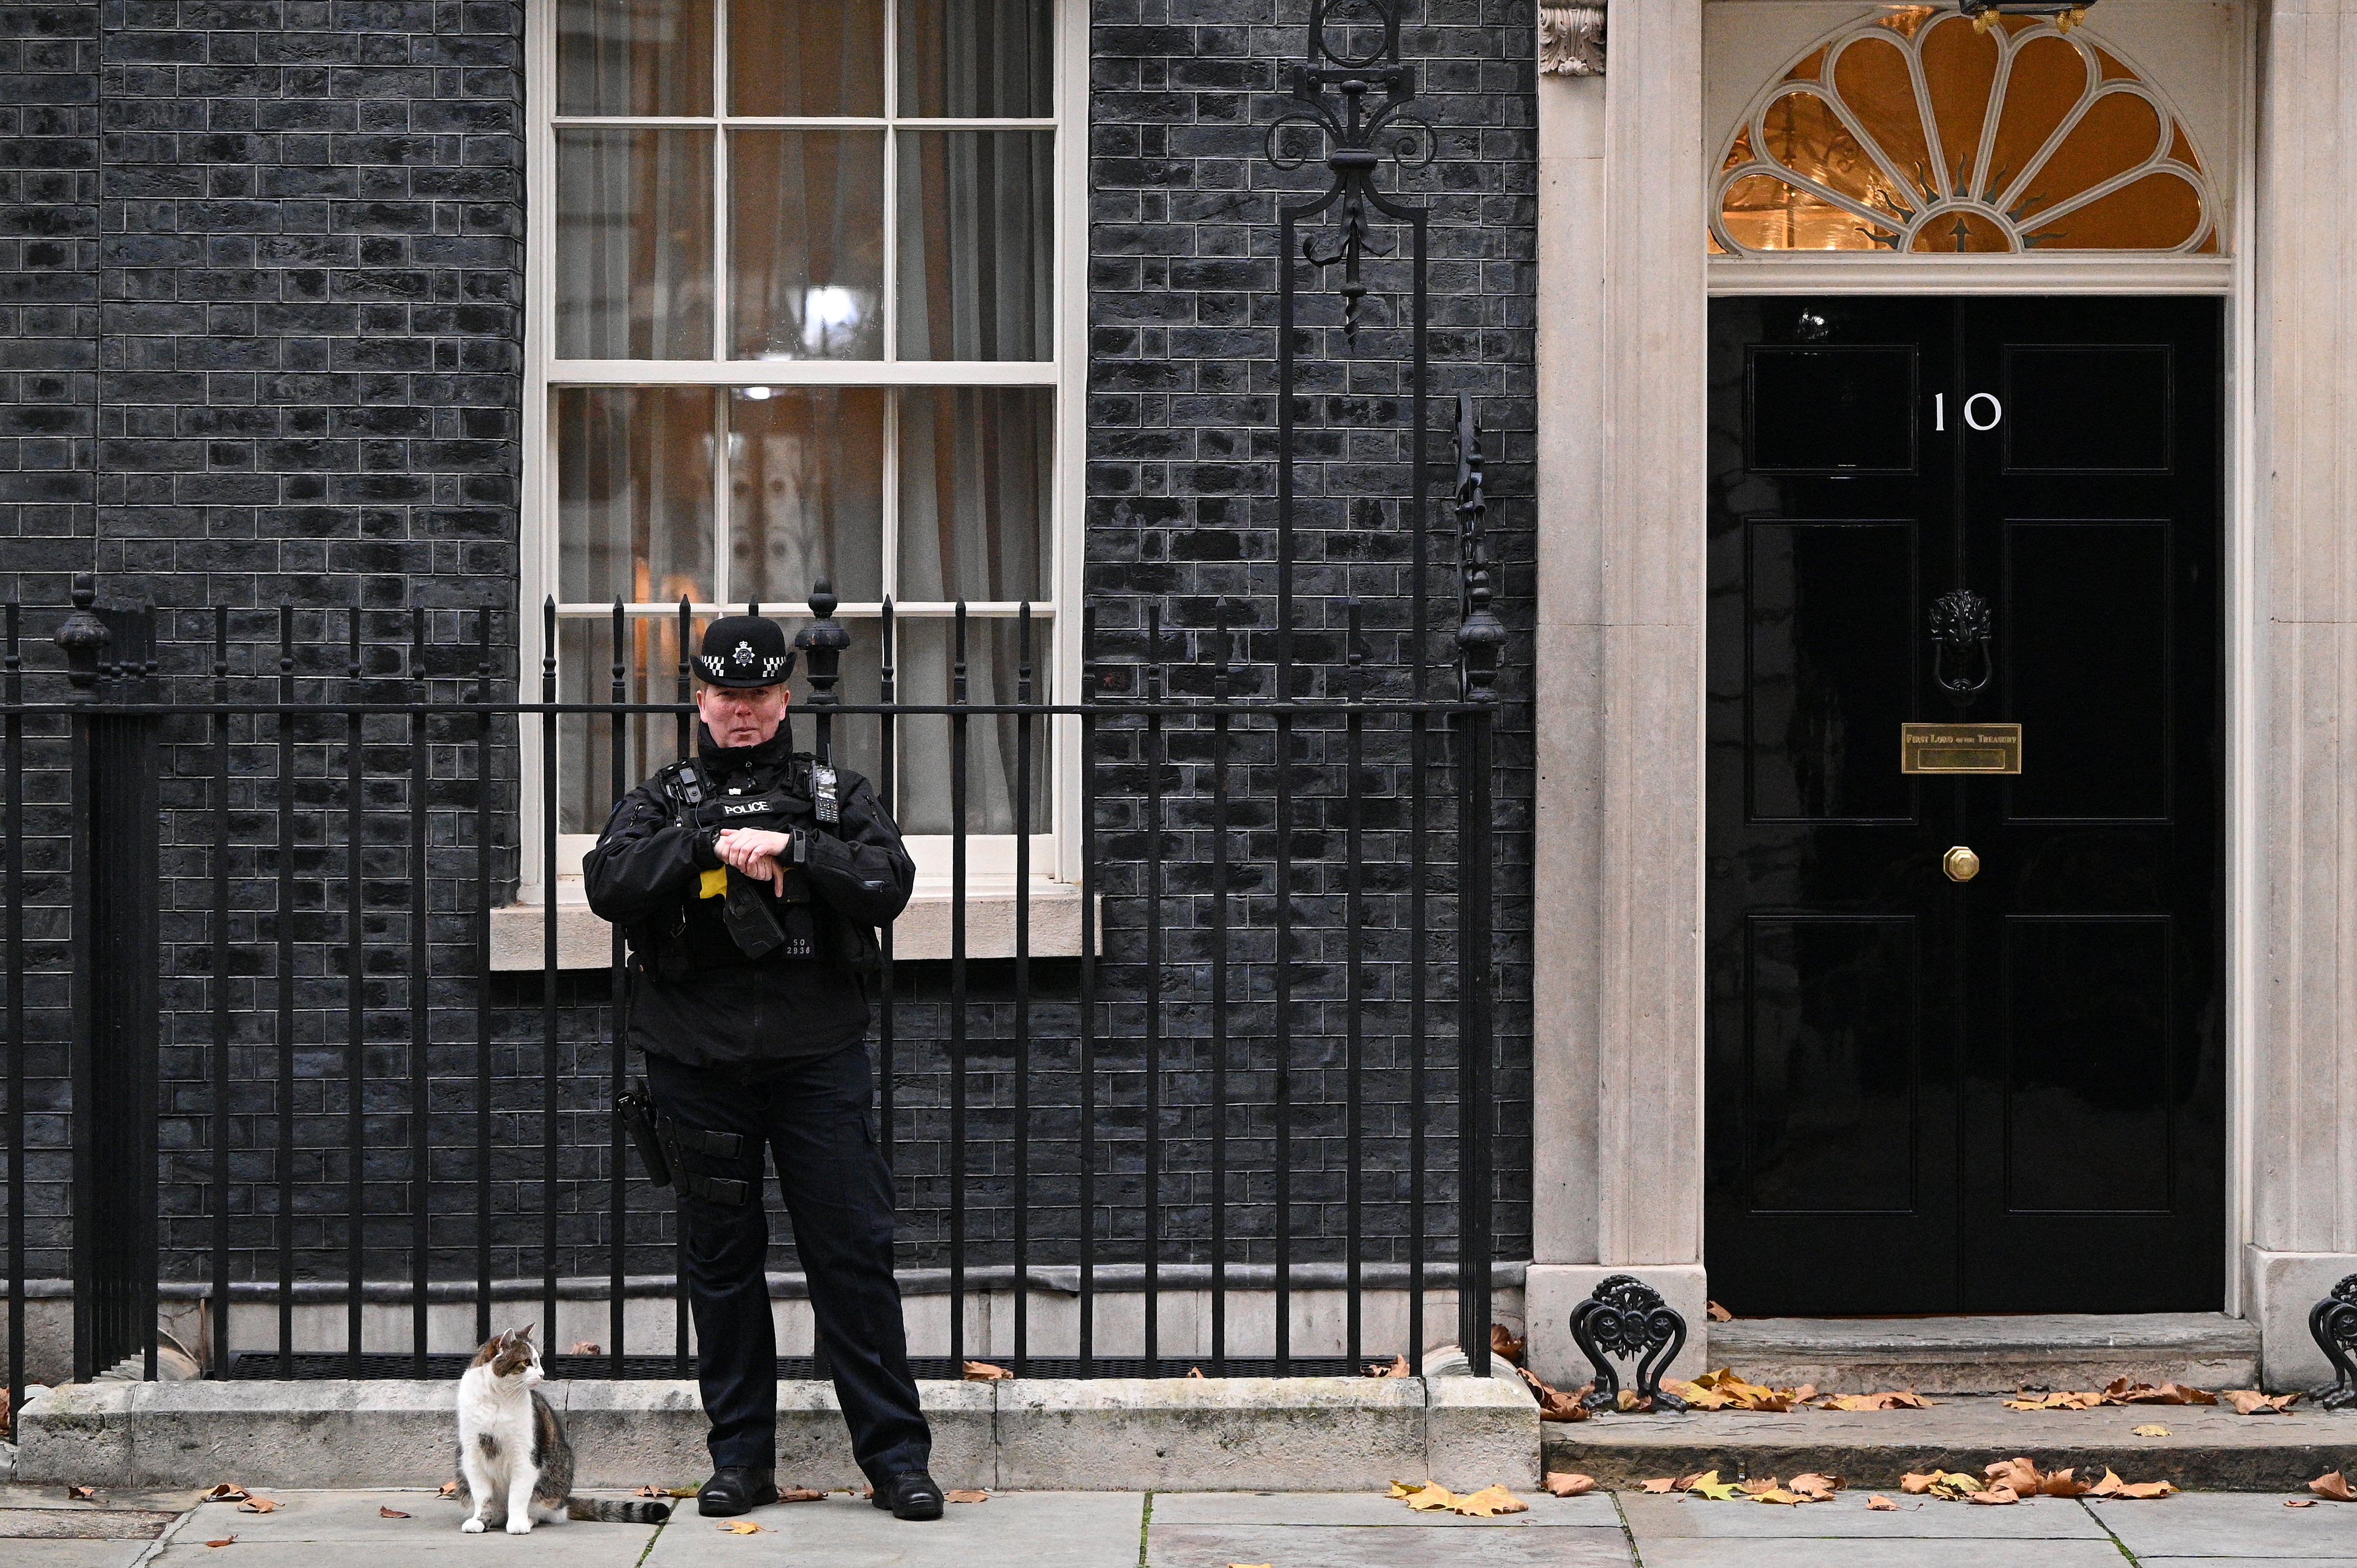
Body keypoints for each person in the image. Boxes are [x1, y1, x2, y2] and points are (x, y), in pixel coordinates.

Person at [584, 611, 939, 1522]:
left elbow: (889, 883)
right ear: (699, 699)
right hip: (697, 1066)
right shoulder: (663, 798)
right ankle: (740, 1461)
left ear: (784, 698)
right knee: (722, 1263)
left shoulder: (834, 793)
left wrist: (796, 850)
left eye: (758, 695)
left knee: (851, 1259)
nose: (741, 711)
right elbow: (607, 885)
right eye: (725, 695)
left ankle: (896, 1461)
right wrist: (702, 846)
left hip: (817, 1062)